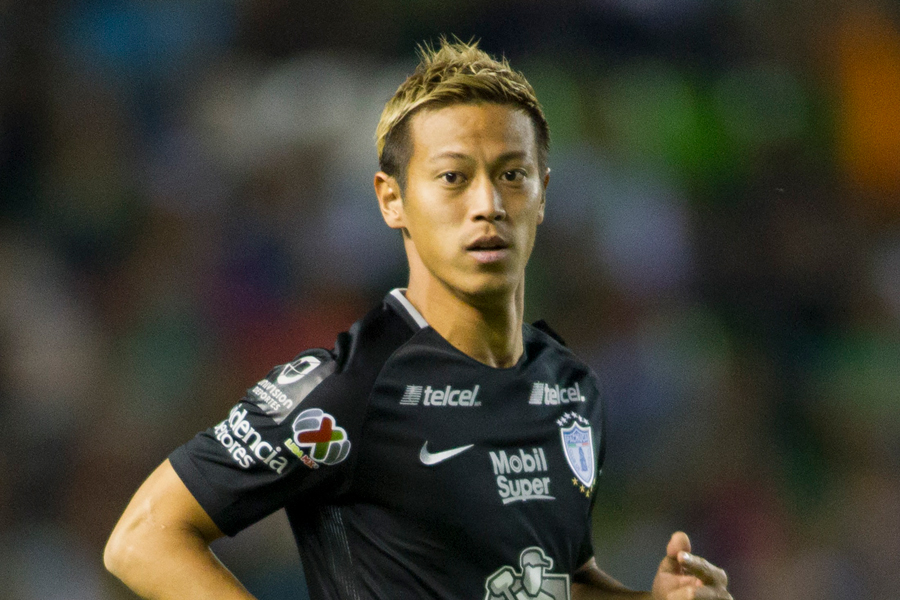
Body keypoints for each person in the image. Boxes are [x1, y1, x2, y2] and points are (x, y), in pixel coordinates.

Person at [104, 39, 733, 600]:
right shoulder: (348, 386)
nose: (488, 204)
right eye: (454, 177)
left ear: (543, 193)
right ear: (392, 199)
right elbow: (144, 538)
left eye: (512, 175)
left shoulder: (570, 387)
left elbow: (549, 579)